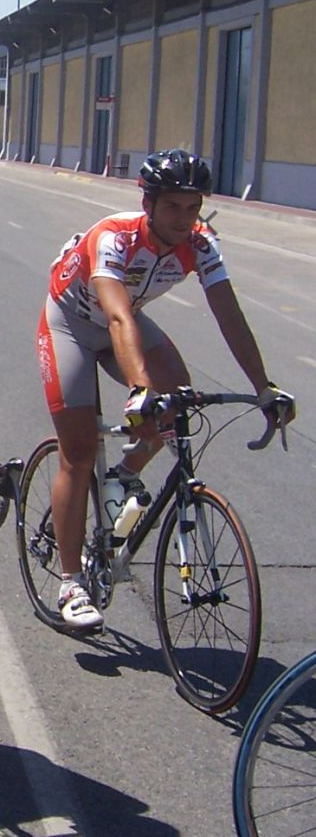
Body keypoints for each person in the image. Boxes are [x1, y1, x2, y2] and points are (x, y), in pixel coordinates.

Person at [37, 148, 295, 630]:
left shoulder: (200, 245)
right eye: (172, 206)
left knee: (178, 397)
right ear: (148, 204)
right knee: (79, 451)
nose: (183, 218)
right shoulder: (114, 237)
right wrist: (139, 389)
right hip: (72, 324)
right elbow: (117, 315)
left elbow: (229, 315)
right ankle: (71, 583)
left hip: (125, 322)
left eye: (193, 207)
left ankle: (124, 473)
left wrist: (264, 387)